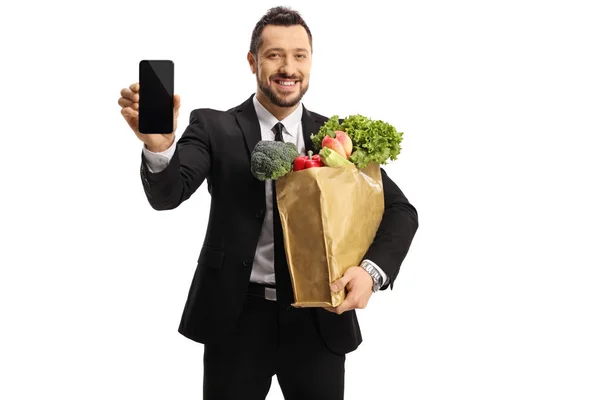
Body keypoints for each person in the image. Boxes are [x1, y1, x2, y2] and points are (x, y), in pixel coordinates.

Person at [118, 6, 418, 400]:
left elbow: (400, 210)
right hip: (236, 318)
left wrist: (370, 273)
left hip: (319, 318)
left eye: (299, 55)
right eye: (274, 54)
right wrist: (160, 150)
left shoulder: (337, 137)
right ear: (253, 61)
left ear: (311, 61)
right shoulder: (213, 126)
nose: (288, 67)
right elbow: (168, 194)